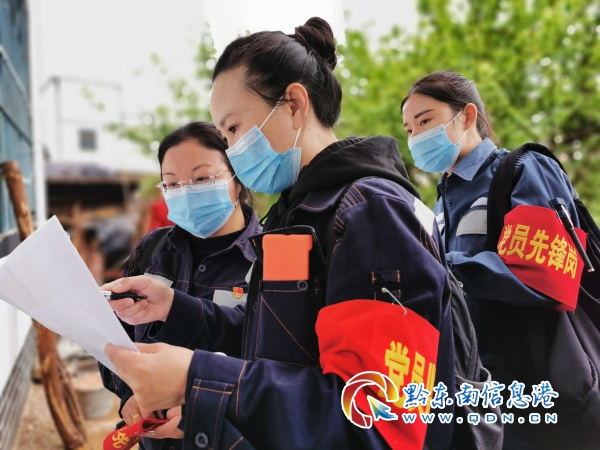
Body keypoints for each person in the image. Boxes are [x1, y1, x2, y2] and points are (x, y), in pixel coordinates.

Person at [104, 18, 455, 450]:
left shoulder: (371, 214)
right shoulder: (300, 213)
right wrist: (178, 310)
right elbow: (278, 340)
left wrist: (197, 379)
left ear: (293, 104)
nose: (233, 150)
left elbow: (378, 421)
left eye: (234, 129)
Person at [401, 71, 600, 449]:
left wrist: (443, 266)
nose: (416, 138)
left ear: (467, 116)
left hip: (548, 393)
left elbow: (548, 275)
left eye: (425, 121)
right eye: (409, 130)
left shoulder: (523, 169)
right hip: (486, 398)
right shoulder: (437, 207)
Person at [99, 122, 260, 450]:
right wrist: (129, 394)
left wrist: (202, 407)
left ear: (238, 179)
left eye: (201, 179)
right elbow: (113, 333)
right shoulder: (152, 249)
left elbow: (275, 362)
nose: (186, 192)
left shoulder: (271, 259)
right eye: (172, 183)